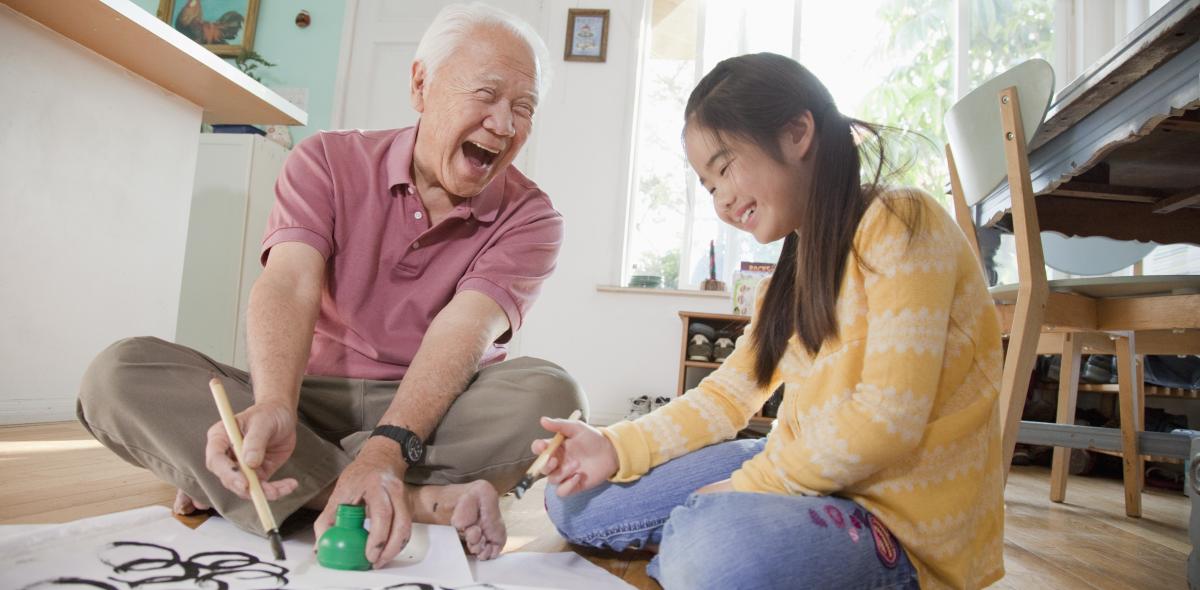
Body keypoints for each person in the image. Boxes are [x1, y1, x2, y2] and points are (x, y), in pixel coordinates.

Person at [76, 2, 585, 569]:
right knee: (117, 374)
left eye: (524, 108)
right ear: (421, 84)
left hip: (436, 408)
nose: (506, 124)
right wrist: (272, 405)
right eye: (486, 95)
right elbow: (289, 284)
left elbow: (463, 329)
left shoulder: (535, 218)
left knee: (550, 395)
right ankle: (419, 500)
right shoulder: (325, 159)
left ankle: (271, 484)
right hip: (306, 396)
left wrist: (389, 448)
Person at [533, 52, 1005, 589]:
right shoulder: (788, 275)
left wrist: (748, 486)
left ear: (797, 132)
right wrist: (615, 445)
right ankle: (708, 530)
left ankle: (707, 534)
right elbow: (726, 397)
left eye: (725, 167)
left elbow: (887, 421)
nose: (722, 200)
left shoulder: (903, 222)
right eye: (709, 187)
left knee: (710, 547)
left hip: (895, 523)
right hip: (807, 471)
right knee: (574, 498)